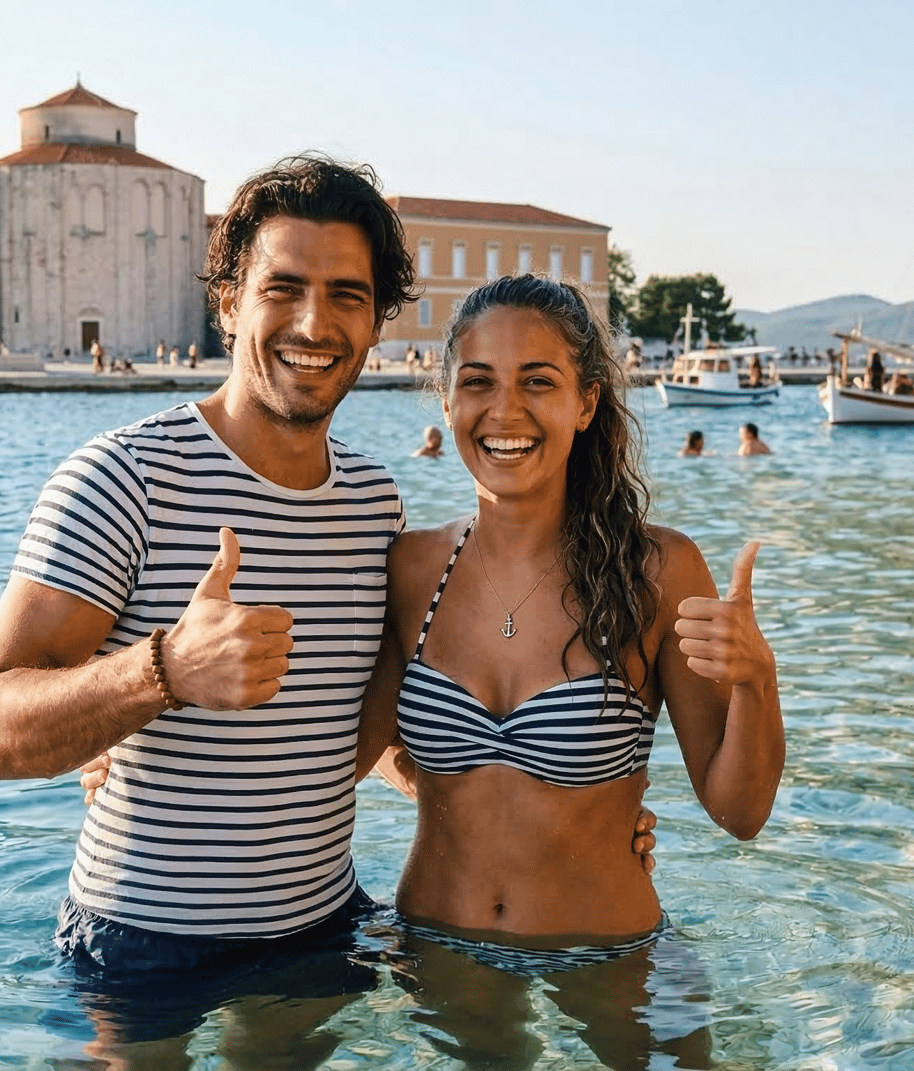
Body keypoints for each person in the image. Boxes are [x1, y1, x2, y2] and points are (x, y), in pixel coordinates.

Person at [0, 154, 433, 1066]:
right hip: (140, 944)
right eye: (282, 287)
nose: (313, 322)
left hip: (316, 929)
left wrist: (554, 812)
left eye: (346, 294)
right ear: (227, 303)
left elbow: (356, 731)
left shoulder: (376, 504)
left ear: (376, 321)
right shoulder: (123, 477)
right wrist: (164, 670)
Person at [361, 275, 781, 1068]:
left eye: (538, 382)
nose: (504, 412)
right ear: (446, 400)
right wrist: (138, 734)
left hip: (613, 951)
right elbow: (344, 741)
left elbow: (741, 810)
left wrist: (759, 680)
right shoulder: (411, 567)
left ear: (586, 404)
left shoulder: (657, 569)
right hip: (437, 944)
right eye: (477, 382)